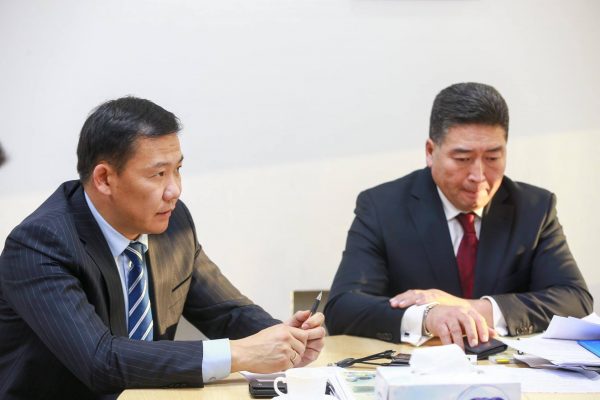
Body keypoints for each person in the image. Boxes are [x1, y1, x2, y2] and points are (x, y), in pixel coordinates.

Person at [0, 97, 325, 399]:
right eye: (158, 174)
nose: (175, 190)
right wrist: (239, 353)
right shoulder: (39, 244)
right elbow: (101, 360)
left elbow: (226, 312)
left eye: (177, 170)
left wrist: (285, 338)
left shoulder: (172, 223)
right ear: (104, 178)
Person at [324, 82, 592, 349]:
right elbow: (343, 307)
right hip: (418, 366)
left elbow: (575, 300)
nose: (478, 175)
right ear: (431, 152)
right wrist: (428, 317)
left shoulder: (534, 208)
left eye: (492, 158)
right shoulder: (382, 206)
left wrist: (472, 309)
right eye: (463, 159)